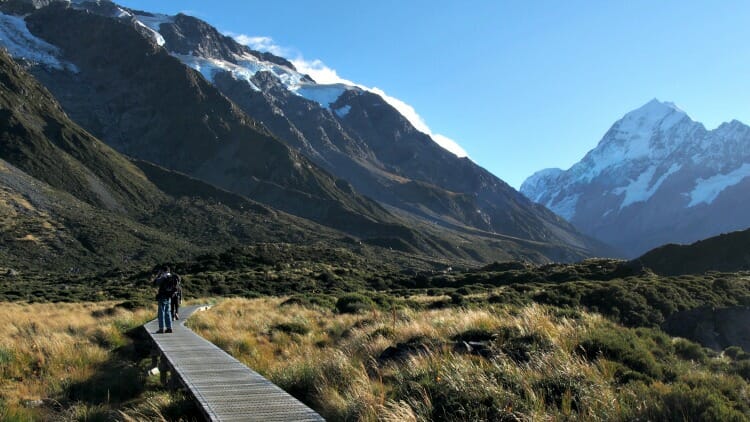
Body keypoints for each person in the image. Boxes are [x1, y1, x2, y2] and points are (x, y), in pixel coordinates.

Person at [153, 266, 176, 333]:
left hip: (162, 296)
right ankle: (169, 328)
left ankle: (161, 328)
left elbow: (155, 283)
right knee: (167, 312)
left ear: (163, 270)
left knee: (161, 312)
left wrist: (158, 275)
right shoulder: (172, 277)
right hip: (169, 297)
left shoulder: (163, 277)